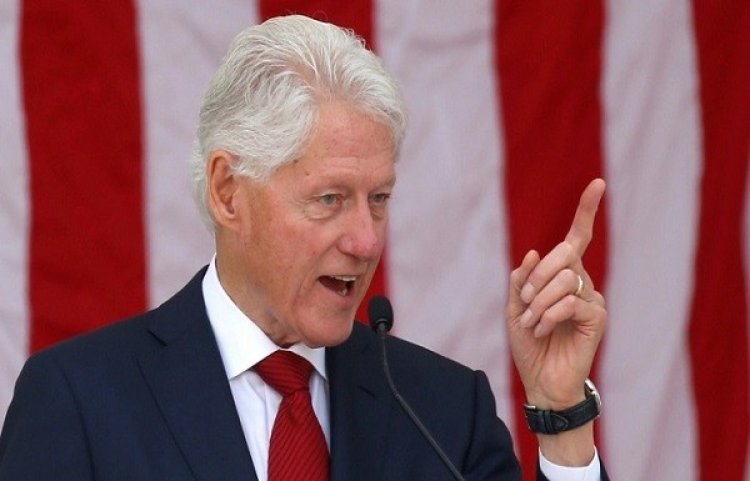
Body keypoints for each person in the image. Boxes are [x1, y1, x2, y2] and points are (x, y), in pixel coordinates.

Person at [0, 14, 608, 481]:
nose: (366, 240)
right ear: (228, 192)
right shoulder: (80, 401)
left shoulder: (443, 411)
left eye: (378, 198)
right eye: (330, 199)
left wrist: (562, 413)